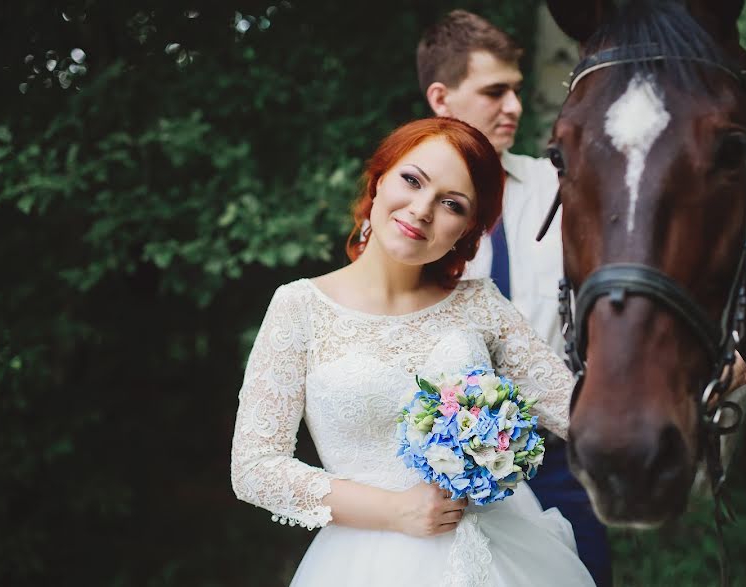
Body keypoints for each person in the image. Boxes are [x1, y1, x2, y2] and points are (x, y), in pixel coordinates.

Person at [230, 117, 595, 586]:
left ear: (468, 231)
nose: (422, 209)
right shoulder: (299, 307)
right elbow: (255, 469)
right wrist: (395, 511)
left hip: (500, 556)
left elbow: (581, 415)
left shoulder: (480, 304)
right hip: (360, 565)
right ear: (379, 179)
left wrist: (707, 387)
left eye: (452, 204)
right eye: (412, 180)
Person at [416, 11, 613, 585]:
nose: (515, 107)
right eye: (494, 91)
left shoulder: (560, 189)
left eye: (518, 91)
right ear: (442, 97)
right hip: (440, 473)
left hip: (558, 462)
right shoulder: (404, 216)